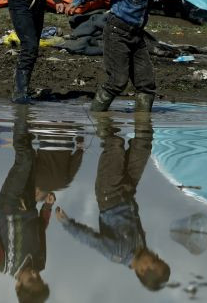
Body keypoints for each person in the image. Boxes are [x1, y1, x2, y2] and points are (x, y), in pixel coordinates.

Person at [66, 0, 187, 112]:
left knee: (146, 83)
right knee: (117, 81)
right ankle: (97, 117)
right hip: (117, 31)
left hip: (136, 35)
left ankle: (143, 128)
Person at [56, 117, 170, 292]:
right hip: (128, 191)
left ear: (141, 269)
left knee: (114, 145)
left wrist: (67, 223)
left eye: (154, 260)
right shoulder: (142, 248)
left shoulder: (117, 253)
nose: (155, 254)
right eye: (159, 257)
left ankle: (102, 110)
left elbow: (91, 239)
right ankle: (141, 109)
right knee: (144, 144)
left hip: (108, 193)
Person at [0, 106, 54, 303]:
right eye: (40, 279)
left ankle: (20, 114)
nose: (36, 274)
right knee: (32, 160)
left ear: (18, 284)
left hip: (9, 203)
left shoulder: (4, 264)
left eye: (31, 280)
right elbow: (40, 232)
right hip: (29, 204)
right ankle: (28, 121)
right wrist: (46, 209)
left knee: (24, 160)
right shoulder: (41, 262)